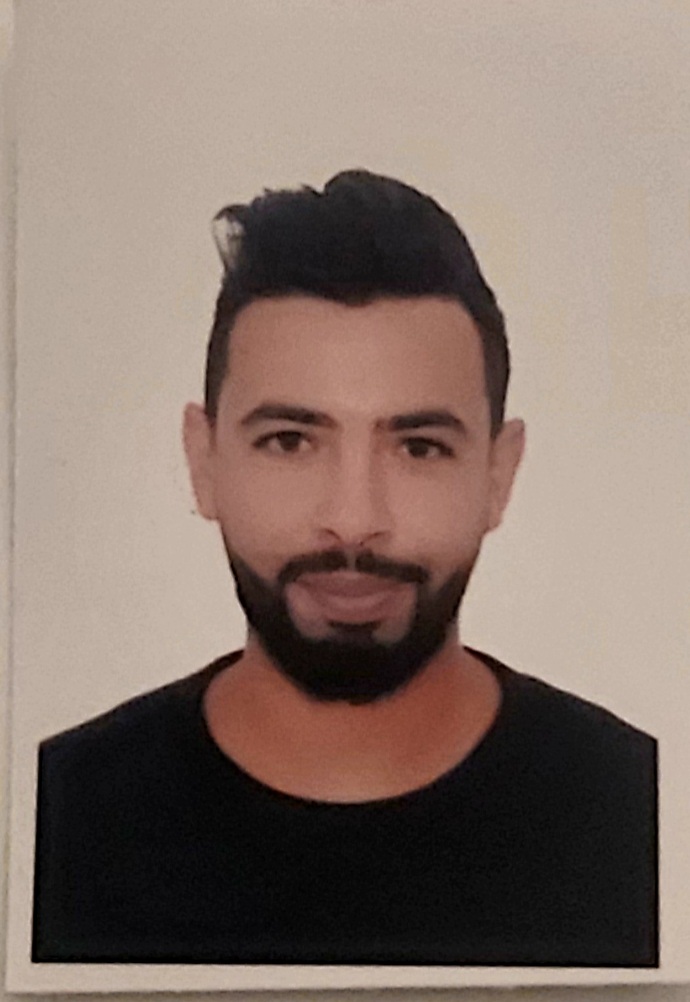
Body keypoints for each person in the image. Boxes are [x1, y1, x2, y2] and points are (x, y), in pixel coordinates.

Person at [32, 170, 657, 968]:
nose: (355, 519)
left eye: (419, 447)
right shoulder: (47, 822)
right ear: (203, 461)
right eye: (290, 441)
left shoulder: (650, 817)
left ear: (499, 477)